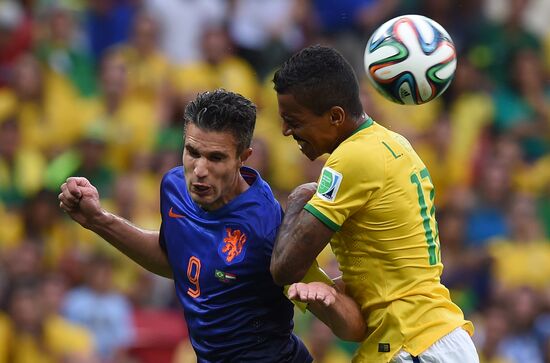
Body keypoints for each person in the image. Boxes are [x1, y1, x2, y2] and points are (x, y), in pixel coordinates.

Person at [58, 89, 365, 362]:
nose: (199, 170)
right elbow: (177, 260)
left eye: (216, 158)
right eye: (193, 153)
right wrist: (99, 220)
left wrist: (327, 299)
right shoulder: (174, 187)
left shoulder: (265, 227)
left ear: (242, 158)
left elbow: (350, 326)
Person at [269, 45, 480, 363]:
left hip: (414, 345)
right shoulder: (392, 143)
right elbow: (360, 318)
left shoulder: (353, 157)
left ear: (336, 117)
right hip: (428, 339)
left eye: (294, 121)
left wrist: (297, 201)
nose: (286, 131)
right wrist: (327, 292)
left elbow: (285, 267)